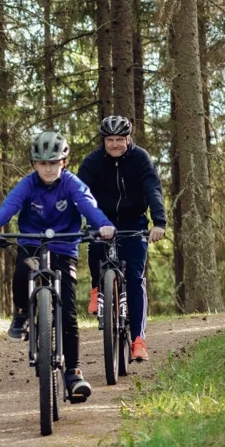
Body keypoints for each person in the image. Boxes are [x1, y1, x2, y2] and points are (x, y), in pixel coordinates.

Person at [0, 131, 115, 399]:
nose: (48, 168)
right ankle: (22, 313)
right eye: (43, 163)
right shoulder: (28, 185)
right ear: (34, 164)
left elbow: (88, 206)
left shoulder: (72, 184)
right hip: (32, 244)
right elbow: (8, 208)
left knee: (68, 313)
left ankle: (73, 373)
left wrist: (103, 225)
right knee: (23, 272)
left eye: (53, 163)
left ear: (63, 162)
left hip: (64, 247)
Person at [77, 116, 166, 362]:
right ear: (103, 141)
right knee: (95, 251)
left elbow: (153, 189)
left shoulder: (140, 159)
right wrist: (72, 223)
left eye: (119, 139)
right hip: (101, 220)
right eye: (110, 140)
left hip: (133, 222)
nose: (115, 144)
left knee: (135, 278)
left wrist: (159, 222)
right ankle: (97, 289)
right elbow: (78, 192)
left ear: (128, 138)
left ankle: (138, 340)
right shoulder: (92, 162)